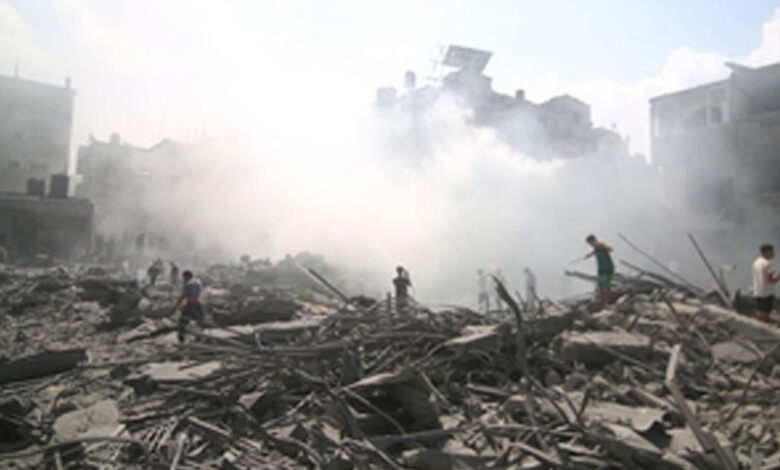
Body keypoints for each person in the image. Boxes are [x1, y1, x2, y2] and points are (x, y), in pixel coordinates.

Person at [170, 270, 204, 342]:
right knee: (201, 320)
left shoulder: (188, 284)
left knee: (182, 322)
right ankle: (200, 336)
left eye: (184, 277)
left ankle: (181, 339)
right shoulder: (198, 282)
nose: (184, 279)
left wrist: (174, 306)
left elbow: (182, 297)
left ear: (187, 276)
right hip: (198, 304)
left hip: (190, 305)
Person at [584, 234, 615, 305]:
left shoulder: (601, 245)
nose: (590, 245)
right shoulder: (596, 248)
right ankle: (602, 301)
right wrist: (589, 255)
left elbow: (610, 249)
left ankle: (610, 300)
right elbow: (594, 252)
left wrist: (605, 247)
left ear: (594, 240)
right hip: (601, 269)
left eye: (590, 243)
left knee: (607, 285)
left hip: (607, 267)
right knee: (600, 285)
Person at [753, 244, 778, 323]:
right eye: (772, 251)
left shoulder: (756, 262)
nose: (774, 253)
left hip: (758, 291)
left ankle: (759, 326)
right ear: (766, 252)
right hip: (767, 292)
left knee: (760, 311)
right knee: (766, 312)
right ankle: (765, 326)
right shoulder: (767, 264)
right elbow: (771, 280)